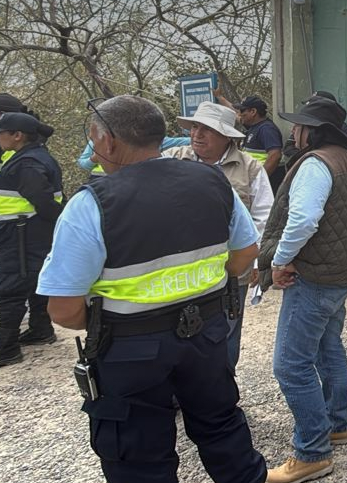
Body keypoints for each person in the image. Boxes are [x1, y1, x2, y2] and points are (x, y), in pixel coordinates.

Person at [36, 95, 266, 483]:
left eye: (94, 139)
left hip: (128, 352)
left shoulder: (91, 205)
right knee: (223, 430)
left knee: (138, 458)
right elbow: (246, 253)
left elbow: (63, 309)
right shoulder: (213, 182)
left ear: (108, 142)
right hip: (206, 337)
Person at [256, 97, 347, 483]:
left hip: (315, 275)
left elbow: (303, 219)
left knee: (290, 365)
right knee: (327, 346)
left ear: (312, 131)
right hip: (342, 272)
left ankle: (313, 453)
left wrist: (279, 260)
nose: (293, 132)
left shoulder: (316, 164)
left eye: (299, 125)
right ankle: (340, 424)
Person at [162, 101, 273, 368]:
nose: (197, 134)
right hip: (181, 270)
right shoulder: (171, 160)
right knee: (179, 333)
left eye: (207, 129)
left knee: (226, 332)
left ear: (226, 136)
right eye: (195, 127)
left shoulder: (249, 169)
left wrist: (255, 263)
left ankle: (223, 393)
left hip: (231, 271)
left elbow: (263, 218)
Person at [0, 112, 63, 365]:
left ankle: (6, 349)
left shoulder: (27, 164)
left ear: (17, 135)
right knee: (37, 280)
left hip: (22, 233)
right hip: (27, 232)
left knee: (10, 287)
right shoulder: (28, 157)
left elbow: (45, 202)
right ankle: (41, 330)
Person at [281, 91, 347, 172]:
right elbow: (288, 148)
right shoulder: (303, 128)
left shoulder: (340, 128)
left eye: (314, 104)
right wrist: (306, 157)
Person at [233, 95, 285, 191]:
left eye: (242, 111)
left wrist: (259, 180)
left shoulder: (266, 129)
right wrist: (219, 97)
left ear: (253, 112)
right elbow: (234, 114)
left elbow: (275, 155)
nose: (239, 114)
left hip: (263, 185)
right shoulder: (253, 127)